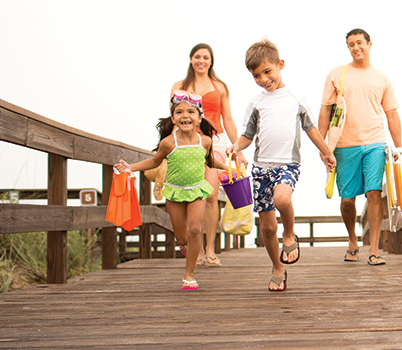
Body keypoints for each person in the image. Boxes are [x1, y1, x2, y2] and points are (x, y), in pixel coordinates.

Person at [227, 38, 336, 291]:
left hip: (288, 164)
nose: (264, 79)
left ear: (280, 65)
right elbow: (247, 135)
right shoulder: (256, 103)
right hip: (260, 168)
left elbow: (310, 129)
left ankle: (289, 234)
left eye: (268, 71)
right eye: (256, 75)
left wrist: (326, 152)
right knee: (266, 227)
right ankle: (277, 267)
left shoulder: (296, 98)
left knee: (282, 199)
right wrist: (235, 146)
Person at [116, 91, 225, 290]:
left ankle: (188, 275)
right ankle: (185, 245)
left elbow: (209, 161)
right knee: (182, 237)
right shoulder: (168, 143)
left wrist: (228, 168)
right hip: (175, 191)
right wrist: (130, 167)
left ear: (199, 118)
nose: (185, 116)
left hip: (196, 190)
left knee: (194, 230)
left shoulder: (205, 142)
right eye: (179, 112)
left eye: (191, 112)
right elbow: (153, 161)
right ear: (173, 118)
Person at [318, 29, 402, 266]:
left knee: (374, 193)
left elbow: (392, 114)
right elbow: (325, 109)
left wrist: (399, 147)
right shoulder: (337, 74)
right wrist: (323, 144)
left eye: (359, 43)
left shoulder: (382, 78)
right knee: (347, 199)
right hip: (344, 145)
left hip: (374, 142)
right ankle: (353, 241)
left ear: (369, 44)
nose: (355, 47)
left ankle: (374, 250)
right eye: (350, 44)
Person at [170, 43, 242, 267]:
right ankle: (196, 249)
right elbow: (173, 116)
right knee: (193, 195)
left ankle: (210, 248)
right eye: (197, 57)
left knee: (210, 195)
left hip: (215, 141)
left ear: (211, 61)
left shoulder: (219, 86)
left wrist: (237, 147)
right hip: (187, 143)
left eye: (206, 57)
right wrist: (170, 145)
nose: (201, 61)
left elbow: (227, 119)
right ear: (191, 59)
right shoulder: (180, 86)